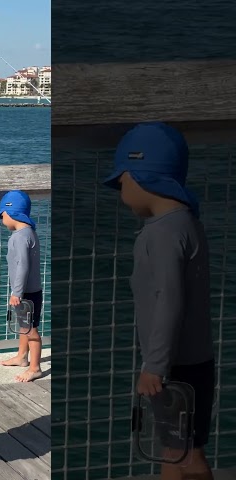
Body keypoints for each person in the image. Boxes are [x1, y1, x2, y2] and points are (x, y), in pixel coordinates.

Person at [103, 122, 215, 480]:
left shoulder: (163, 234)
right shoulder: (185, 224)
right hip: (190, 361)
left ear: (139, 176)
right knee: (176, 450)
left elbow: (169, 298)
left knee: (185, 455)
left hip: (174, 367)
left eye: (121, 182)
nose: (121, 191)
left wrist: (155, 364)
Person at [0, 190, 44, 382]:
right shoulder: (28, 233)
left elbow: (22, 265)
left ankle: (35, 367)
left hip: (26, 292)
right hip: (31, 290)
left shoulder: (20, 237)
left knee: (31, 330)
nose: (2, 219)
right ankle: (22, 357)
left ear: (10, 213)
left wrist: (16, 292)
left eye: (2, 215)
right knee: (24, 326)